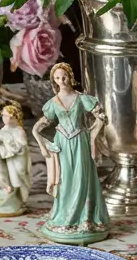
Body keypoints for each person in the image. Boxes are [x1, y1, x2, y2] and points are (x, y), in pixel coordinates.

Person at [32, 62, 110, 244]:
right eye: (57, 78)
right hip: (62, 145)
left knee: (82, 177)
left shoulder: (82, 98)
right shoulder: (52, 103)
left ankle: (85, 218)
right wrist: (43, 146)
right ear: (54, 80)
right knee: (65, 179)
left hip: (80, 142)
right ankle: (65, 216)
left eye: (64, 76)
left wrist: (93, 133)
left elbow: (101, 117)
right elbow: (38, 128)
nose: (61, 80)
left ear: (71, 76)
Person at [0, 102, 32, 207]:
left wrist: (8, 141)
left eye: (9, 117)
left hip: (19, 157)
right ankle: (16, 198)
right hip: (10, 157)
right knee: (13, 177)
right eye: (4, 116)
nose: (6, 119)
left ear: (16, 118)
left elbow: (21, 145)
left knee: (20, 173)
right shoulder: (5, 129)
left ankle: (24, 194)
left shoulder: (19, 130)